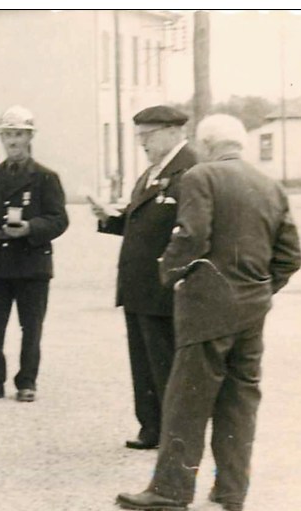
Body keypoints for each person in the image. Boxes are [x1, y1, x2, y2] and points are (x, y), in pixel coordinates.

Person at [116, 114, 301, 511]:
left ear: (207, 143)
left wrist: (172, 275)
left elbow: (192, 235)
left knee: (187, 400)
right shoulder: (270, 186)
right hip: (252, 311)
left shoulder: (200, 177)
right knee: (240, 400)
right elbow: (290, 256)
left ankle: (172, 490)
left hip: (206, 309)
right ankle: (232, 490)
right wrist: (262, 290)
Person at [93, 105, 198, 450]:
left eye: (147, 136)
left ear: (172, 132)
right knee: (144, 362)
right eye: (140, 136)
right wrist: (110, 218)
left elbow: (190, 230)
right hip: (139, 286)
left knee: (165, 362)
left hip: (162, 286)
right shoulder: (153, 171)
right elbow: (140, 220)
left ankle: (172, 433)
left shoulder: (190, 170)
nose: (142, 143)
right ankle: (151, 426)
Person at [0, 106, 68, 402]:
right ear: (1, 138)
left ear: (30, 137)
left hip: (32, 264)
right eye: (8, 134)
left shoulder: (46, 178)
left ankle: (27, 382)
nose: (13, 141)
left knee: (31, 328)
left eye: (19, 134)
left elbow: (59, 219)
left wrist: (30, 228)